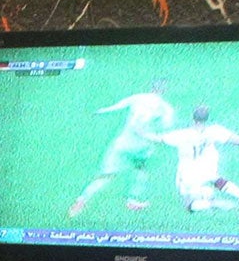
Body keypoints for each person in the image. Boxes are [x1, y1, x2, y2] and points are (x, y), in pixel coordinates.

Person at [68, 82, 177, 217]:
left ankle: (82, 200)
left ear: (151, 88)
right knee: (141, 169)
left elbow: (118, 106)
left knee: (106, 176)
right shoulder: (165, 108)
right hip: (141, 148)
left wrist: (101, 111)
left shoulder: (137, 97)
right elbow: (166, 126)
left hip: (122, 144)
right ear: (163, 91)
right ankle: (132, 199)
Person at [147, 105, 239, 214]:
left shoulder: (182, 134)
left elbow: (159, 139)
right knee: (216, 180)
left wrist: (141, 133)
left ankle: (214, 203)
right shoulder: (215, 130)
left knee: (188, 204)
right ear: (207, 119)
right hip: (208, 167)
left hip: (188, 173)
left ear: (193, 118)